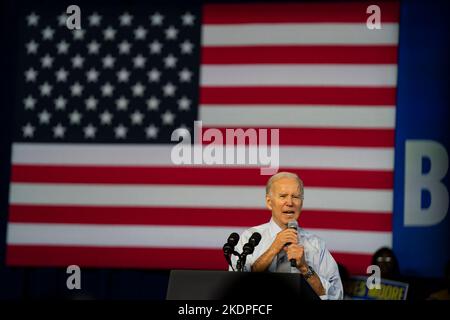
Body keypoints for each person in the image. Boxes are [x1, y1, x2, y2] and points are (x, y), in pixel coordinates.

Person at [230, 172, 343, 300]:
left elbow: (336, 296)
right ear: (269, 202)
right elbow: (236, 289)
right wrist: (273, 248)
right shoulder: (249, 238)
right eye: (283, 196)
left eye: (295, 197)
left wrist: (304, 268)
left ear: (301, 202)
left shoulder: (316, 244)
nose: (290, 202)